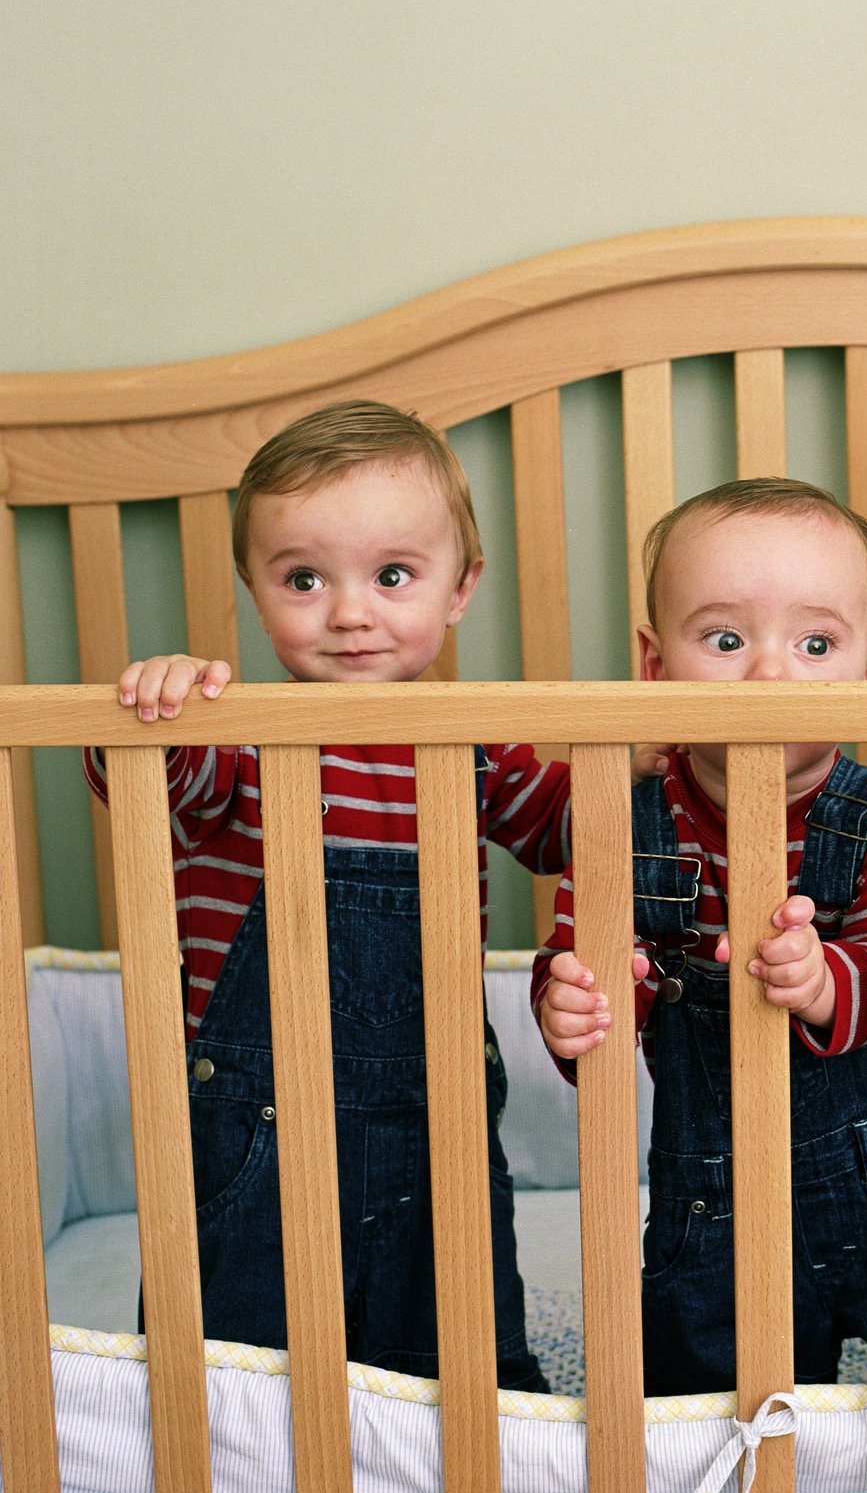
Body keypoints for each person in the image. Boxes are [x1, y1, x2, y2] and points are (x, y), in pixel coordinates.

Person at [88, 399, 562, 1390]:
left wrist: (664, 759)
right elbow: (147, 775)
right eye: (304, 577)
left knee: (453, 1347)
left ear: (461, 587)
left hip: (434, 1119)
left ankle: (462, 1486)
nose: (349, 612)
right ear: (255, 591)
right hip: (251, 1126)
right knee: (232, 1359)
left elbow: (577, 826)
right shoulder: (238, 738)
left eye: (393, 576)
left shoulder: (475, 746)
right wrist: (156, 708)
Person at [533, 478, 867, 1393]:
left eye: (814, 644)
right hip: (713, 1201)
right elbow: (587, 962)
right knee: (702, 1412)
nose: (770, 675)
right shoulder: (619, 823)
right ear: (654, 663)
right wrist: (570, 1005)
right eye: (725, 640)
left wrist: (827, 980)